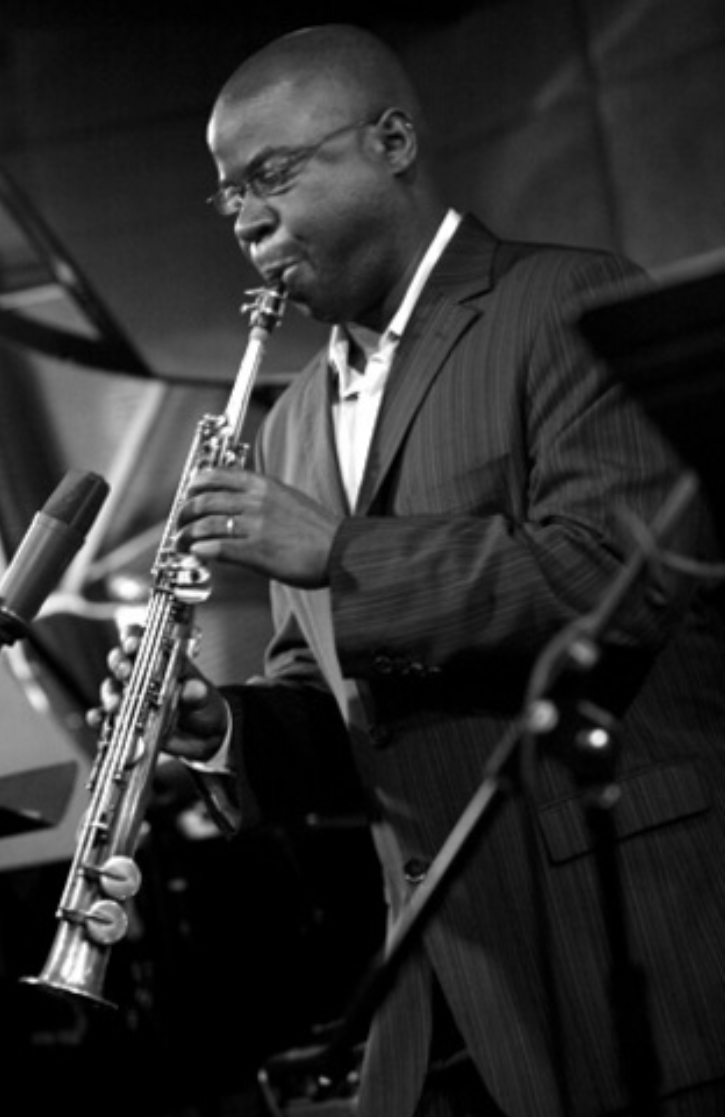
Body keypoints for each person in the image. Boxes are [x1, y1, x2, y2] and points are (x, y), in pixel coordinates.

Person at [100, 23, 725, 1117]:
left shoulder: (562, 299)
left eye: (271, 175)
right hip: (441, 985)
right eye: (228, 193)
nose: (244, 218)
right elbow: (340, 706)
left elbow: (615, 581)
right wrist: (222, 727)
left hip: (634, 936)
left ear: (391, 142)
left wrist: (338, 553)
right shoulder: (291, 423)